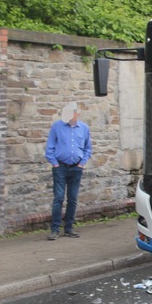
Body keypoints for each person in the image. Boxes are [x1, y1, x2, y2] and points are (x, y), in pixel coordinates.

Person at [44, 102, 92, 240]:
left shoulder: (84, 128)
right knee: (58, 198)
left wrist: (82, 163)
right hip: (60, 167)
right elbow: (50, 147)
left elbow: (88, 148)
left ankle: (69, 228)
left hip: (76, 168)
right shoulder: (57, 127)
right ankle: (55, 229)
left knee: (73, 199)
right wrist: (54, 164)